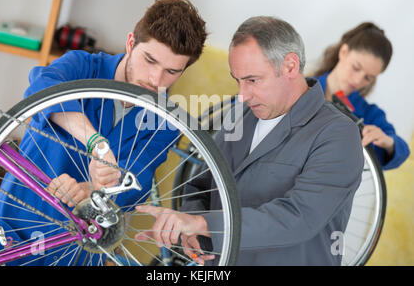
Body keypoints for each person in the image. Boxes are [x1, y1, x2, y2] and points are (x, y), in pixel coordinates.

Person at [0, 0, 207, 265]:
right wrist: (96, 142)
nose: (156, 80)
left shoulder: (167, 120)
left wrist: (90, 190)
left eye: (171, 71)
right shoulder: (82, 67)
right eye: (149, 60)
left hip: (76, 250)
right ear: (131, 43)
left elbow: (139, 180)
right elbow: (40, 89)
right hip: (13, 226)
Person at [134, 16, 364, 266]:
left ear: (289, 66)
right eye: (238, 81)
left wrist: (204, 224)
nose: (242, 95)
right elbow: (201, 184)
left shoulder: (338, 134)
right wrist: (194, 229)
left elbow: (299, 218)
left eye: (252, 80)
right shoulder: (241, 115)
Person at [311, 22, 410, 170]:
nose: (358, 80)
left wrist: (388, 143)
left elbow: (401, 149)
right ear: (343, 52)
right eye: (356, 68)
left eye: (368, 78)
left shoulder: (369, 114)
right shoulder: (301, 88)